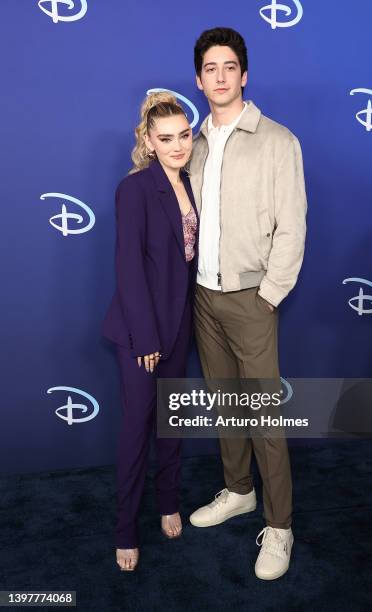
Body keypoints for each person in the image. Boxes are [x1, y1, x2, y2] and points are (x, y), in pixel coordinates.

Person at [187, 27, 307, 580]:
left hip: (250, 297)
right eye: (210, 68)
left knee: (263, 413)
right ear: (199, 78)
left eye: (229, 67)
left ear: (244, 74)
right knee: (223, 402)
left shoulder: (277, 140)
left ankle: (279, 527)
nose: (219, 76)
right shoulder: (193, 142)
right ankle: (239, 491)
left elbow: (292, 227)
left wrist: (267, 296)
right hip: (203, 296)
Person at [102, 91, 198, 571]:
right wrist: (146, 337)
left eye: (183, 135)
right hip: (142, 331)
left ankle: (167, 503)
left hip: (181, 324)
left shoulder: (193, 183)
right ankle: (125, 530)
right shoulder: (135, 189)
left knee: (173, 423)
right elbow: (128, 267)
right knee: (138, 427)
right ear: (148, 141)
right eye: (166, 138)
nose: (178, 145)